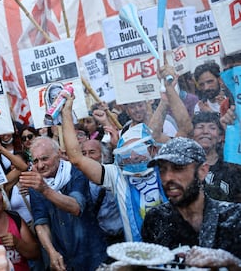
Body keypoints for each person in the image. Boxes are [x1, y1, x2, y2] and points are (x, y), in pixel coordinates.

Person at [62, 94, 168, 242]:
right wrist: (66, 113)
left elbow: (183, 128)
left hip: (176, 251)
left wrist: (166, 96)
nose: (133, 155)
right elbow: (77, 158)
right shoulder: (116, 175)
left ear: (152, 150)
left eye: (139, 149)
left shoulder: (167, 168)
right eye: (126, 152)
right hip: (140, 257)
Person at [141, 137, 241, 268]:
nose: (167, 177)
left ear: (202, 171)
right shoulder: (156, 219)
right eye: (162, 170)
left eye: (178, 168)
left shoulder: (234, 218)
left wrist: (232, 263)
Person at [19, 136, 108, 270]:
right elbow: (41, 223)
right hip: (63, 259)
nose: (40, 165)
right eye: (36, 161)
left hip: (91, 254)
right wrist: (51, 252)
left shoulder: (76, 172)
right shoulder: (35, 182)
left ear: (59, 154)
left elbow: (76, 207)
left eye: (44, 158)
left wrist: (45, 190)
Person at [190, 112, 241, 202]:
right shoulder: (185, 164)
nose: (205, 131)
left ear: (220, 137)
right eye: (200, 127)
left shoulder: (230, 164)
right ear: (192, 135)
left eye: (212, 128)